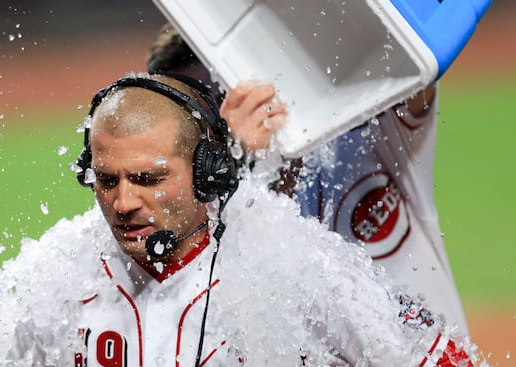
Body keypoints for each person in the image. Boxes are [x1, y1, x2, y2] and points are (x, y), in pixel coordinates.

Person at [0, 72, 478, 367]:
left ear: (208, 174)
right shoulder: (58, 290)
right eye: (106, 179)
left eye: (149, 179)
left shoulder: (287, 260)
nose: (123, 203)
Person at [146, 24, 469, 334]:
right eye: (207, 108)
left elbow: (414, 61)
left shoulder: (366, 140)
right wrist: (232, 156)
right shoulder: (193, 212)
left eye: (231, 92)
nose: (231, 112)